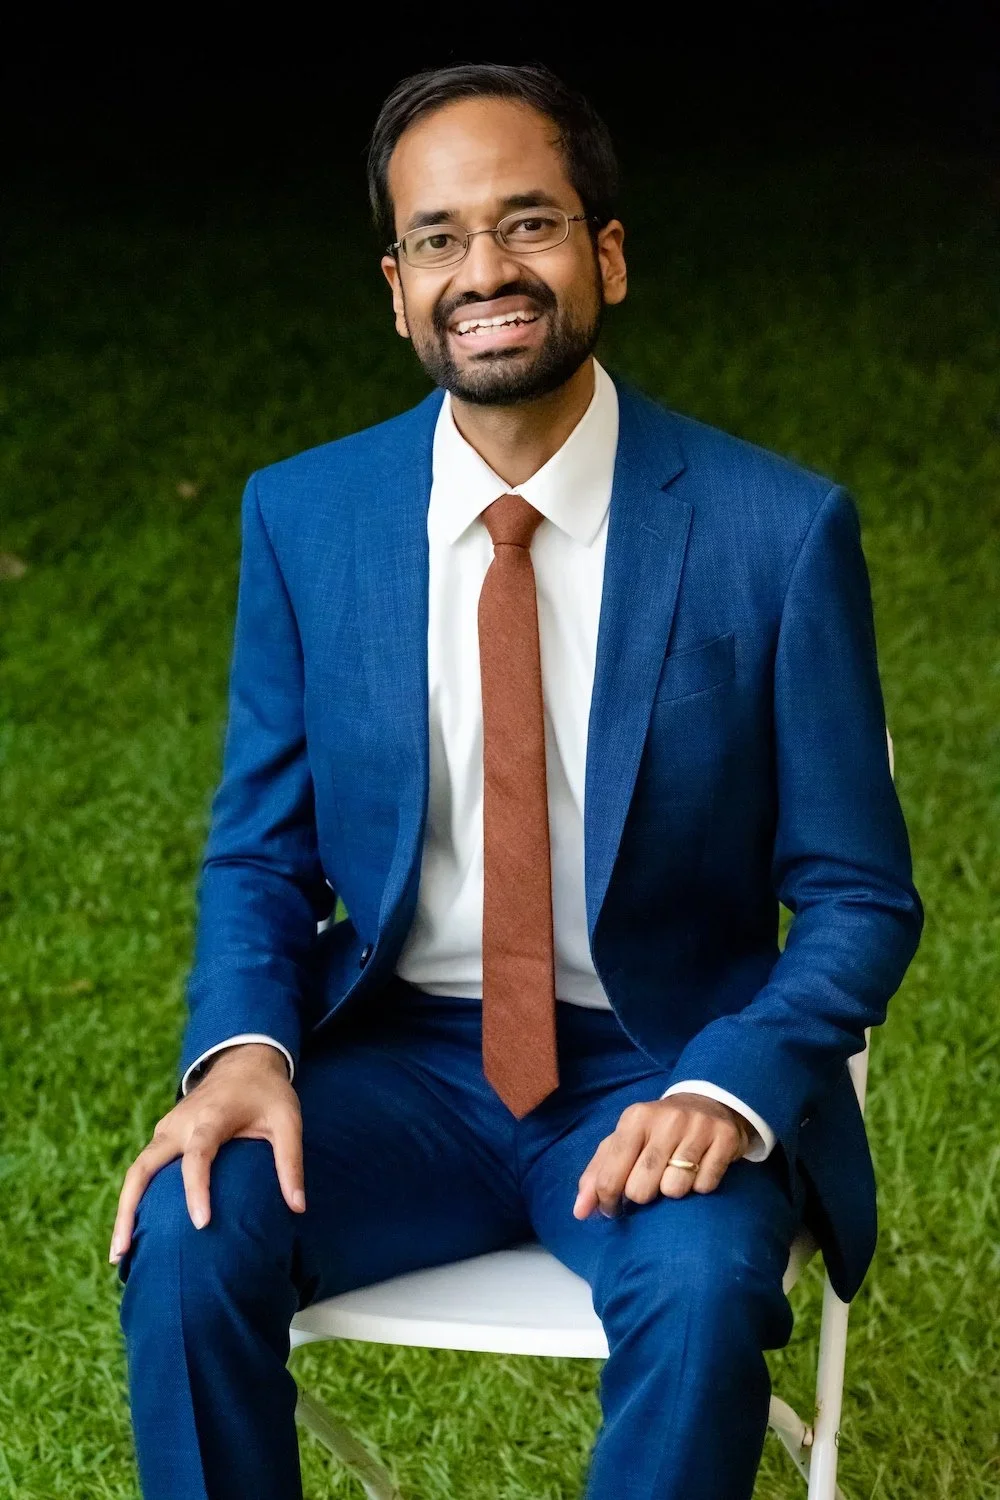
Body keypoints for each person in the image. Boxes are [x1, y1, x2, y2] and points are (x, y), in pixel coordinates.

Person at [109, 61, 923, 1500]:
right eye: (438, 238)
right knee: (188, 1229)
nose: (485, 271)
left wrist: (730, 1091)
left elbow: (858, 896)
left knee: (705, 1287)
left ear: (605, 252)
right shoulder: (306, 516)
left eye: (528, 223)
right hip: (401, 1061)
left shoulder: (775, 531)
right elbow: (260, 850)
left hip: (654, 1064)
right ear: (397, 284)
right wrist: (243, 1051)